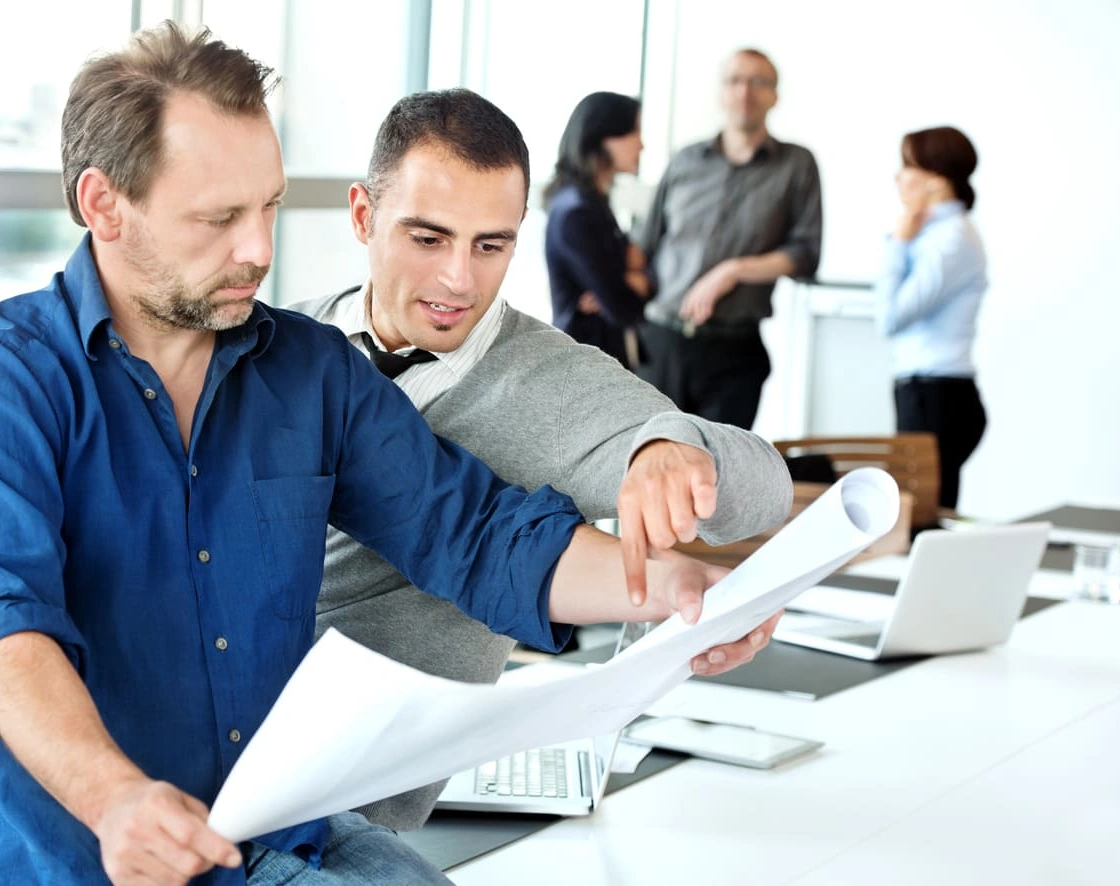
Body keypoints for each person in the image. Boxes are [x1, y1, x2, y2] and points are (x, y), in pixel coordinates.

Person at [0, 23, 779, 886]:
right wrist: (115, 796)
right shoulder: (1, 377)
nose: (258, 249)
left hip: (268, 827)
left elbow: (478, 536)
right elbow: (1, 630)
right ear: (103, 204)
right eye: (219, 217)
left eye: (267, 206)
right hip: (65, 849)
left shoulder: (309, 370)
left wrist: (682, 591)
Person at [290, 87, 793, 831]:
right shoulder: (275, 349)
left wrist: (672, 446)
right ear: (364, 216)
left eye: (489, 245)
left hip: (350, 820)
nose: (459, 279)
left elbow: (767, 488)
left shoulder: (553, 384)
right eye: (427, 239)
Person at [637, 47, 822, 429]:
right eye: (735, 81)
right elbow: (646, 242)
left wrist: (733, 270)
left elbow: (805, 254)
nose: (745, 92)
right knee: (646, 466)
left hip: (735, 351)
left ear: (774, 96)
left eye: (758, 82)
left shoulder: (796, 165)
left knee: (720, 477)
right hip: (662, 342)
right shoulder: (685, 160)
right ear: (722, 92)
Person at [874, 126, 987, 513]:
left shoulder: (951, 238)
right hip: (926, 393)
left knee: (922, 520)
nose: (898, 177)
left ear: (937, 179)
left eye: (907, 166)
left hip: (939, 398)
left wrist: (899, 244)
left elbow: (890, 317)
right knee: (919, 516)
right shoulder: (936, 233)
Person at [543, 91, 649, 368]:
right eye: (634, 132)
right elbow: (622, 306)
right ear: (604, 138)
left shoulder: (592, 203)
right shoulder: (577, 212)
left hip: (598, 359)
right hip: (585, 366)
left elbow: (631, 270)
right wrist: (634, 282)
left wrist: (628, 279)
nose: (642, 145)